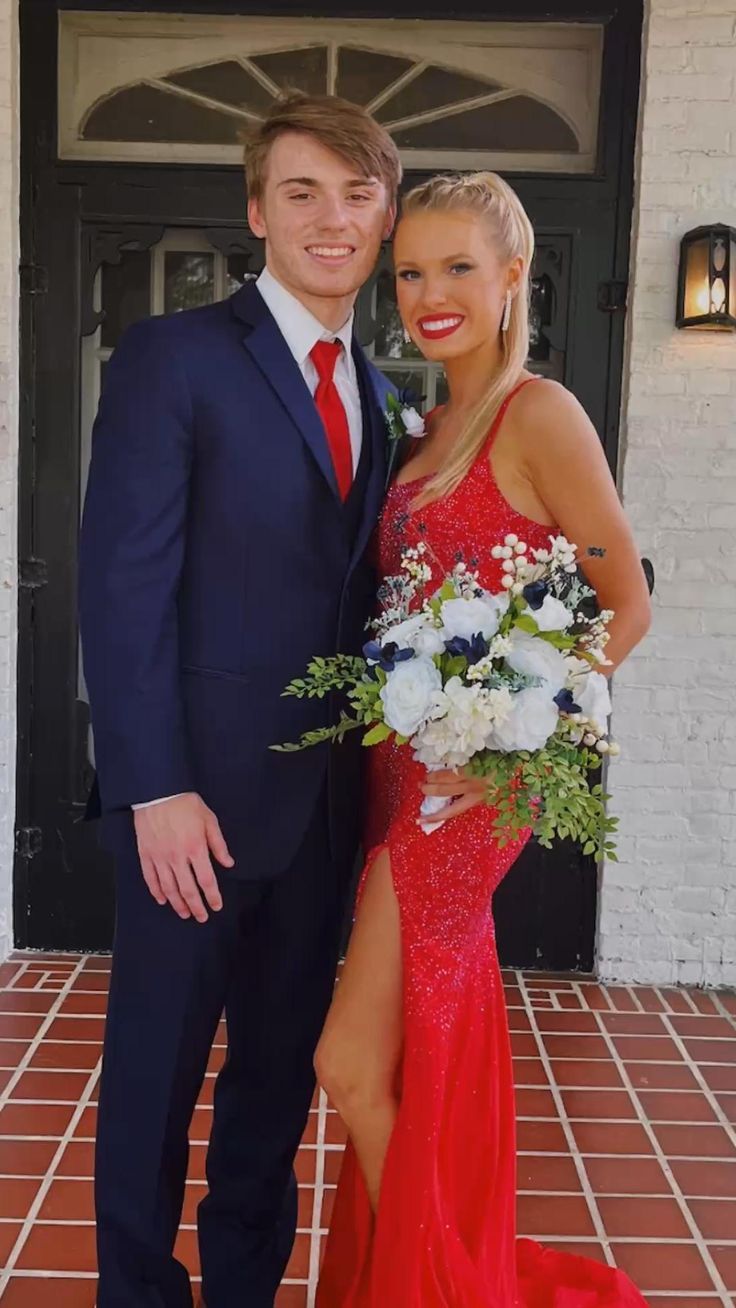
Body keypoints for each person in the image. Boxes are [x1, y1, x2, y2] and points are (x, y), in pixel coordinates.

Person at [78, 93, 406, 1308]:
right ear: (255, 209)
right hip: (192, 810)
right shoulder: (175, 359)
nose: (332, 220)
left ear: (384, 217)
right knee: (155, 1080)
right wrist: (153, 782)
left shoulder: (377, 389)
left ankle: (244, 1291)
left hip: (322, 816)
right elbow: (122, 589)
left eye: (358, 195)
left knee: (272, 1085)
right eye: (304, 192)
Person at [314, 172, 653, 1308]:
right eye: (409, 271)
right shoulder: (431, 419)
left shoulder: (538, 413)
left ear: (515, 278)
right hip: (396, 770)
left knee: (349, 1064)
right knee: (401, 1054)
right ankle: (437, 1267)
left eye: (458, 267)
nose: (428, 293)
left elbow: (626, 605)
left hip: (464, 793)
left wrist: (511, 746)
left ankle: (443, 1286)